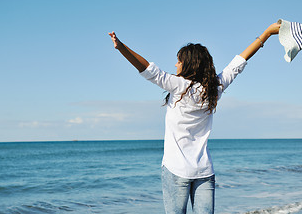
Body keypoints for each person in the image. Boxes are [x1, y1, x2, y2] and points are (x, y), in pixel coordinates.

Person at [108, 23, 280, 214]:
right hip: (204, 171)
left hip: (175, 170)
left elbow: (147, 68)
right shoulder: (214, 89)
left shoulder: (178, 85)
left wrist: (121, 47)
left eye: (178, 61)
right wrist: (267, 34)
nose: (175, 64)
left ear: (189, 63)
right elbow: (238, 63)